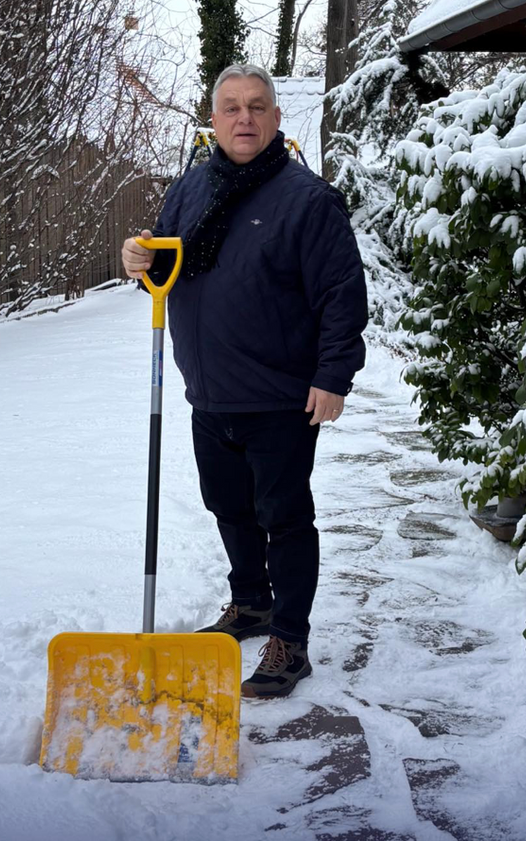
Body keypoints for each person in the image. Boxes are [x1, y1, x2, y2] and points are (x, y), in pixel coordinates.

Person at [121, 64, 367, 699]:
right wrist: (138, 260)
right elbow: (166, 267)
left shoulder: (307, 200)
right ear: (214, 118)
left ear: (277, 118)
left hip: (281, 395)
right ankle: (251, 603)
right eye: (231, 107)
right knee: (227, 506)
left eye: (257, 107)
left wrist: (333, 375)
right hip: (209, 390)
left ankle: (291, 636)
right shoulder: (191, 189)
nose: (244, 119)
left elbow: (342, 295)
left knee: (283, 517)